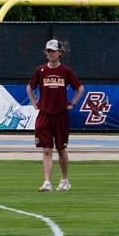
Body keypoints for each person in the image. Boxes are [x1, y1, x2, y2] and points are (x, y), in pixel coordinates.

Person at [26, 38, 85, 192]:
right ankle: (47, 182)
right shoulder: (41, 70)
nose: (51, 54)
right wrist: (34, 102)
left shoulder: (66, 71)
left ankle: (65, 180)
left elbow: (79, 88)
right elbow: (29, 87)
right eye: (49, 51)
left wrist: (73, 103)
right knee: (46, 149)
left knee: (61, 148)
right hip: (45, 114)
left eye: (54, 51)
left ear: (60, 53)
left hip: (60, 115)